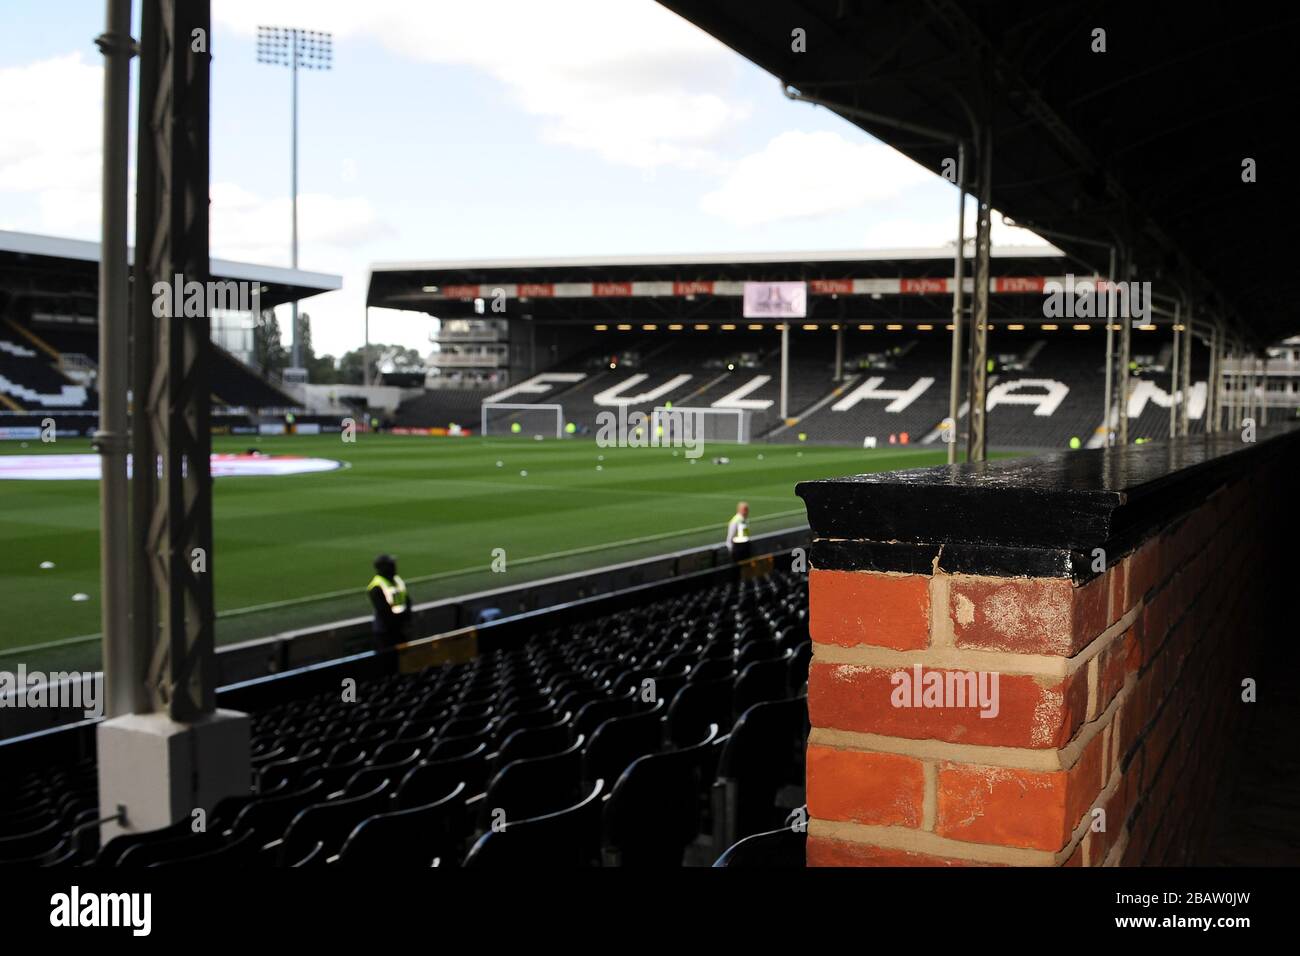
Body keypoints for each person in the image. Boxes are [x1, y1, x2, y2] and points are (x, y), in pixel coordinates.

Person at [367, 553, 410, 648]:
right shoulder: (376, 586)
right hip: (385, 632)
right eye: (391, 564)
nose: (395, 567)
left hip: (400, 629)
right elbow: (384, 612)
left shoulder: (397, 580)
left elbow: (407, 600)